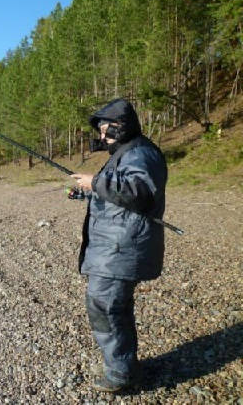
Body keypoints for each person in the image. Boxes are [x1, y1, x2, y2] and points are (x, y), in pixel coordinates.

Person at [70, 98, 168, 392]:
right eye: (100, 129)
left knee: (106, 306)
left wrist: (95, 183)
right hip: (114, 246)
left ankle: (121, 374)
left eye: (105, 128)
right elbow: (120, 195)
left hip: (122, 247)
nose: (101, 135)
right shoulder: (126, 153)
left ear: (121, 126)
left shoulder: (141, 153)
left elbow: (141, 193)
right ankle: (124, 365)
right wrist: (86, 192)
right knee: (113, 306)